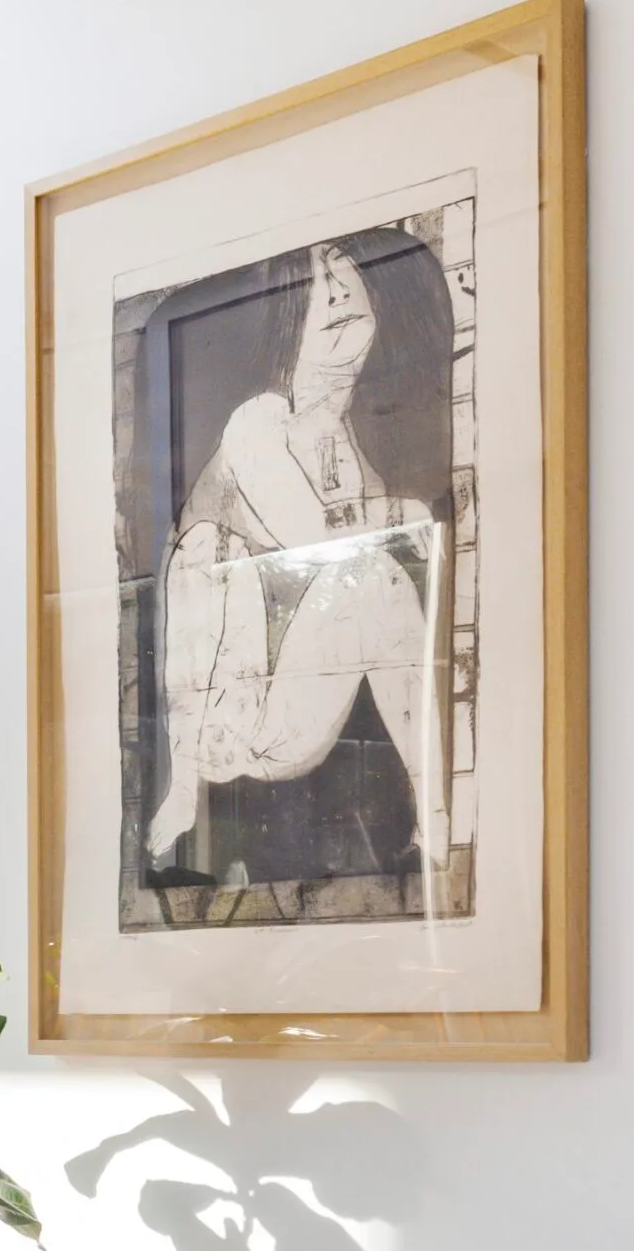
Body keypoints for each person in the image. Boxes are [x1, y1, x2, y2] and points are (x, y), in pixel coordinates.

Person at [146, 232, 452, 874]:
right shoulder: (259, 422)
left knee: (378, 579)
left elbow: (371, 556)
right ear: (289, 318)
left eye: (342, 271)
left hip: (289, 720)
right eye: (315, 283)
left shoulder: (348, 443)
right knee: (220, 547)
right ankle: (182, 792)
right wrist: (400, 516)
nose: (337, 291)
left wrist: (398, 519)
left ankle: (437, 814)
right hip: (220, 726)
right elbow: (312, 539)